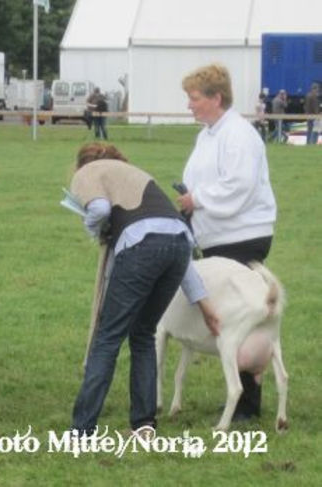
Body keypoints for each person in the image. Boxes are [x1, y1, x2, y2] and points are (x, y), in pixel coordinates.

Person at [70, 142, 219, 437]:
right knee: (142, 334)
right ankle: (144, 425)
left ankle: (82, 431)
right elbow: (177, 247)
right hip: (179, 244)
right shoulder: (136, 174)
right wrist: (204, 304)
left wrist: (93, 229)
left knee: (107, 338)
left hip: (142, 246)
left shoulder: (87, 173)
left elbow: (98, 209)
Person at [178, 63, 277, 421]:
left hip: (242, 236)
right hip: (217, 235)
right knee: (230, 314)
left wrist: (197, 200)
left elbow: (239, 185)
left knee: (241, 316)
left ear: (216, 98)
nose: (189, 105)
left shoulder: (239, 134)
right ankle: (241, 396)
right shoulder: (208, 134)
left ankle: (248, 403)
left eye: (193, 98)